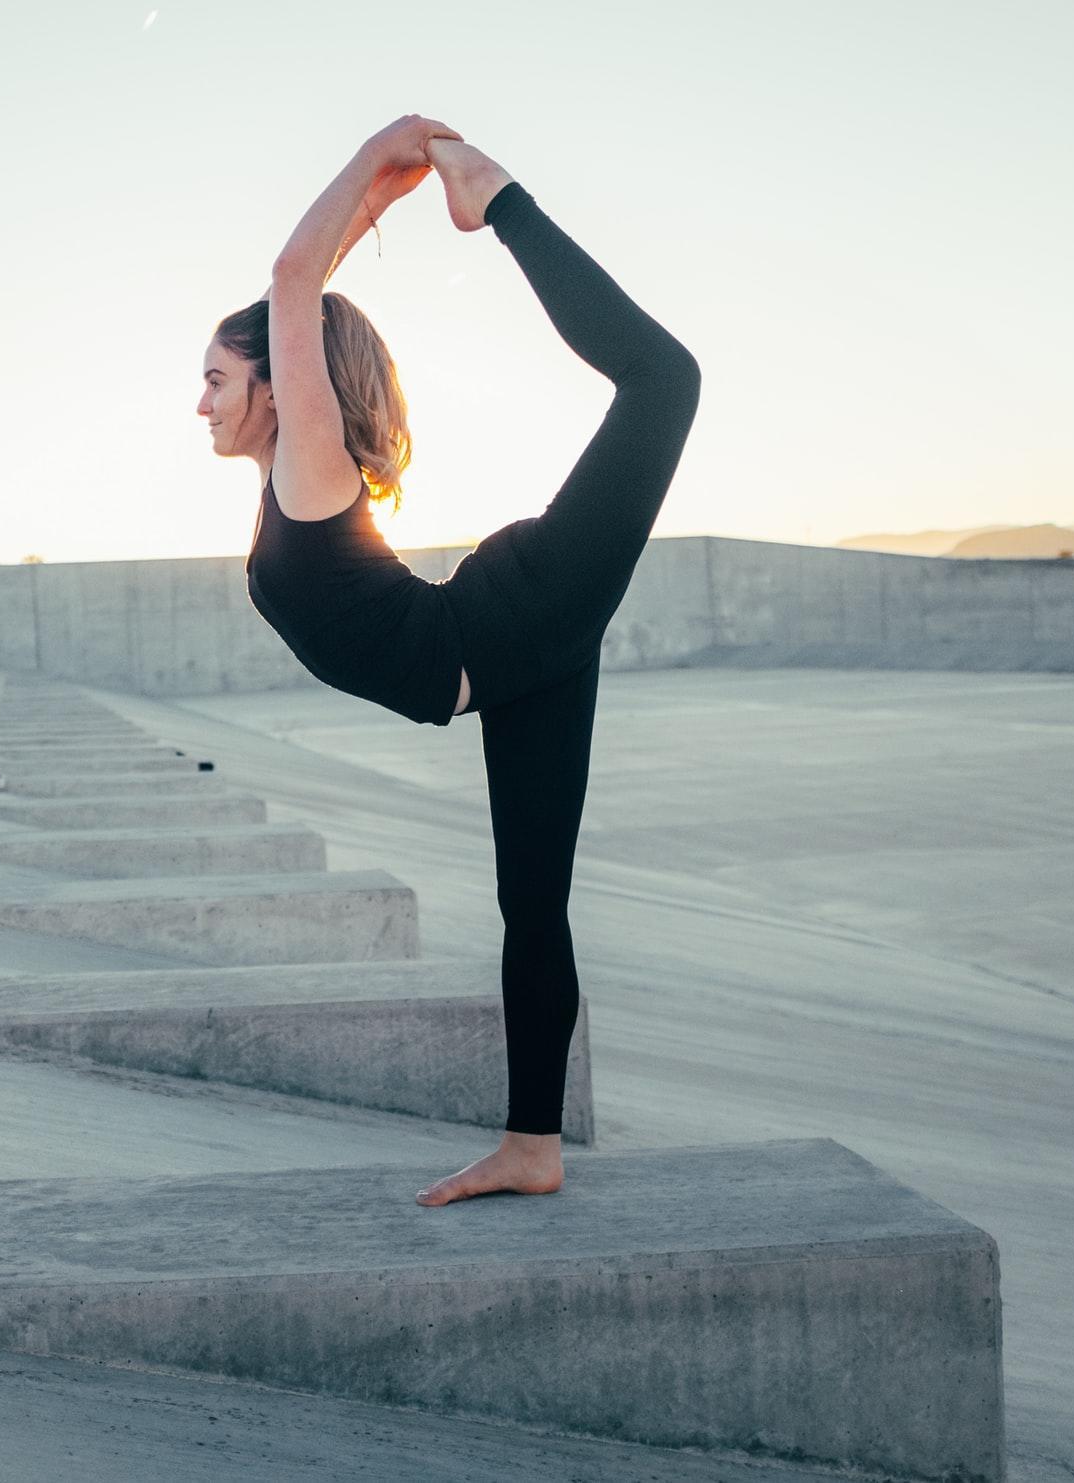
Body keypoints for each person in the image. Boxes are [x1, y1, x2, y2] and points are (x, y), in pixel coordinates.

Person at [197, 117, 702, 1206]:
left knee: (666, 380)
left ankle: (501, 201)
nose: (199, 399)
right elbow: (308, 298)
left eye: (215, 376)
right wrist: (382, 195)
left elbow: (295, 280)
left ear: (278, 387)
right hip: (511, 660)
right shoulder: (287, 490)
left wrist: (395, 157)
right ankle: (534, 1145)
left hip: (512, 620)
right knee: (535, 904)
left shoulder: (311, 469)